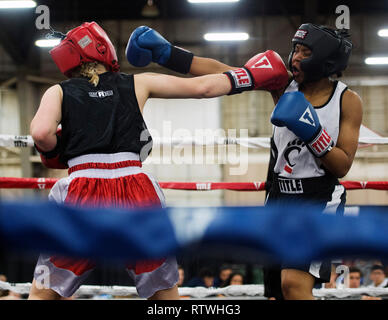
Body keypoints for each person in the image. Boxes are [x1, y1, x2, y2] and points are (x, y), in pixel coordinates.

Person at [28, 22, 284, 300]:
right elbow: (204, 88)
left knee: (45, 292)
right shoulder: (138, 82)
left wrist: (56, 150)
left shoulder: (58, 91)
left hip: (81, 189)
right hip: (135, 188)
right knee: (164, 294)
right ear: (104, 50)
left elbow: (41, 133)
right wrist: (253, 75)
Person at [126, 23, 362, 300]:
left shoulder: (347, 100)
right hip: (279, 197)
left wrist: (312, 132)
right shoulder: (284, 85)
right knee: (276, 292)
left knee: (294, 287)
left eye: (305, 51)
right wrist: (168, 54)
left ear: (325, 59)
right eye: (295, 49)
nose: (295, 57)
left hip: (318, 199)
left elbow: (342, 165)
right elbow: (223, 73)